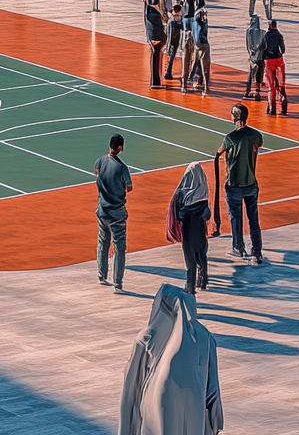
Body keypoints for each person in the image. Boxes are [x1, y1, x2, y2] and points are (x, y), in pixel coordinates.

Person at [118, 284, 223, 435]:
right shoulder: (205, 337)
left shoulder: (147, 337)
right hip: (194, 410)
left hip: (155, 410)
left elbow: (131, 391)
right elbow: (213, 388)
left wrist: (126, 429)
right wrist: (216, 420)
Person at [218, 102, 264, 264]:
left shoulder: (230, 138)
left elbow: (219, 152)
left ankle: (238, 248)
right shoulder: (255, 135)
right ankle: (257, 252)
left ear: (234, 118)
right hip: (251, 183)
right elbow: (257, 146)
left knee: (236, 218)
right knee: (253, 219)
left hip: (234, 184)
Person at [93, 133, 133, 294]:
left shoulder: (100, 161)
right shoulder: (122, 168)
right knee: (119, 247)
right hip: (117, 213)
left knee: (103, 242)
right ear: (120, 147)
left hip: (102, 210)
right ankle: (118, 283)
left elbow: (96, 172)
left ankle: (102, 275)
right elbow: (129, 187)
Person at [167, 162, 211, 294]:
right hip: (200, 232)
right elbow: (207, 215)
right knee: (202, 257)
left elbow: (179, 215)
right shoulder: (203, 193)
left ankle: (190, 285)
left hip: (188, 234)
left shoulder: (184, 196)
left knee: (190, 262)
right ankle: (202, 281)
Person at [263, 18, 288, 116]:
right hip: (278, 60)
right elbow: (283, 49)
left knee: (271, 85)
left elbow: (263, 47)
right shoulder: (279, 35)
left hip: (269, 60)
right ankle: (284, 106)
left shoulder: (266, 35)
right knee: (281, 85)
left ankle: (272, 108)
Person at [144, 0, 166, 88]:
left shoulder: (147, 10)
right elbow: (160, 21)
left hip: (151, 34)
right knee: (156, 56)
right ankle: (156, 82)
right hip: (155, 34)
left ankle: (155, 81)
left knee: (155, 55)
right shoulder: (153, 12)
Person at [244, 15, 265, 100]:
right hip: (260, 56)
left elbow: (248, 44)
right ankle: (257, 91)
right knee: (259, 74)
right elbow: (264, 45)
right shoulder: (262, 32)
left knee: (251, 74)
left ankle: (248, 91)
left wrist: (250, 53)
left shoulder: (249, 31)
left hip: (253, 56)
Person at [192, 8, 211, 95]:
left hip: (199, 46)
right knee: (201, 67)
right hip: (201, 46)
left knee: (200, 67)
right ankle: (204, 85)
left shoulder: (197, 23)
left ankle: (203, 85)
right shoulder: (199, 23)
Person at [163, 3, 184, 82]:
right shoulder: (176, 20)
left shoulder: (171, 19)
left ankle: (168, 71)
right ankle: (168, 72)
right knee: (171, 56)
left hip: (172, 40)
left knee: (170, 56)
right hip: (174, 40)